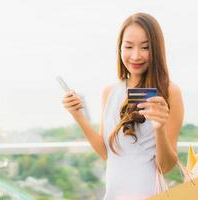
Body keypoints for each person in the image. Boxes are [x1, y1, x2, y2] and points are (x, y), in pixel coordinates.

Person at [62, 12, 184, 200]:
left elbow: (166, 166)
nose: (135, 56)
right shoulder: (110, 92)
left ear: (157, 50)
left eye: (145, 47)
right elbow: (106, 153)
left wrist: (159, 129)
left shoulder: (169, 92)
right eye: (128, 46)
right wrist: (78, 115)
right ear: (120, 48)